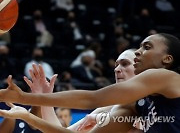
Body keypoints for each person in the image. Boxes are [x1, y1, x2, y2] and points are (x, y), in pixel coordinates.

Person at [0, 33, 180, 132]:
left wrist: (25, 98)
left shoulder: (167, 77)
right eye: (116, 64)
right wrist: (28, 113)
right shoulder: (134, 106)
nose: (139, 52)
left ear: (167, 59)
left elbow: (92, 98)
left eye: (146, 47)